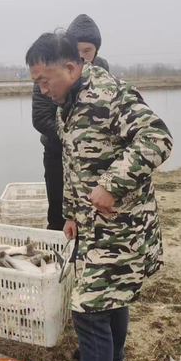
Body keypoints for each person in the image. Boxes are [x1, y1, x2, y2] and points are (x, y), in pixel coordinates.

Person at [26, 31, 173, 361]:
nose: (42, 90)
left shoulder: (107, 95)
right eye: (36, 83)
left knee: (88, 311)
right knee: (111, 296)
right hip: (93, 226)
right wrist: (71, 213)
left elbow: (158, 138)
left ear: (72, 68)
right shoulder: (68, 104)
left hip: (122, 225)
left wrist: (112, 185)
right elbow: (73, 163)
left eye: (45, 81)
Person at [32, 14, 109, 231]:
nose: (82, 57)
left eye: (88, 51)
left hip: (94, 158)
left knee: (93, 210)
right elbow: (40, 118)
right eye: (77, 51)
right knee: (59, 213)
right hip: (57, 153)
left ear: (96, 51)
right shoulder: (50, 70)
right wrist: (74, 137)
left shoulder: (101, 70)